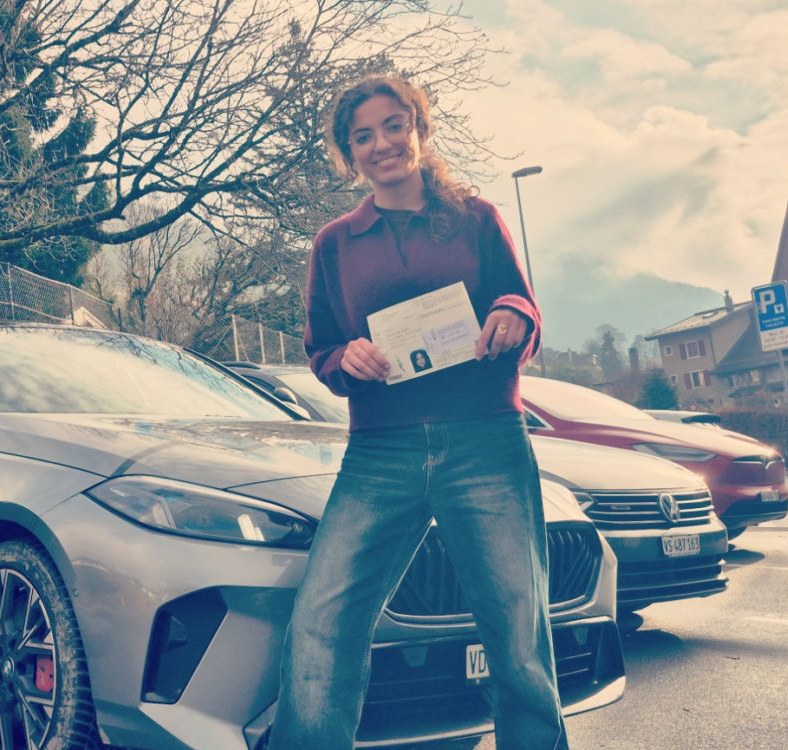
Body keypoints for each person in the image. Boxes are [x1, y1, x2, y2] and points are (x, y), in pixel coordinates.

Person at [266, 76, 567, 749]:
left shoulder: (477, 219)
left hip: (486, 440)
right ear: (348, 153)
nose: (382, 144)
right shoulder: (335, 243)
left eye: (393, 125)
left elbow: (523, 307)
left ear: (419, 130)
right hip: (381, 451)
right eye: (363, 136)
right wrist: (346, 358)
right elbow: (321, 349)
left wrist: (512, 314)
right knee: (321, 623)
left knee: (518, 633)